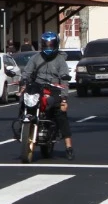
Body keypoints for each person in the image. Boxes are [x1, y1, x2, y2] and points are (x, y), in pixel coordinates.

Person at [16, 31, 73, 160]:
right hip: (37, 87)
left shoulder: (60, 60)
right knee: (24, 100)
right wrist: (23, 81)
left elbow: (64, 80)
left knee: (60, 113)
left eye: (51, 44)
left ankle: (68, 146)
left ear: (56, 44)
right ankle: (22, 126)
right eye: (46, 44)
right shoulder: (35, 58)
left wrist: (64, 98)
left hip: (54, 89)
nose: (48, 47)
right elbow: (27, 72)